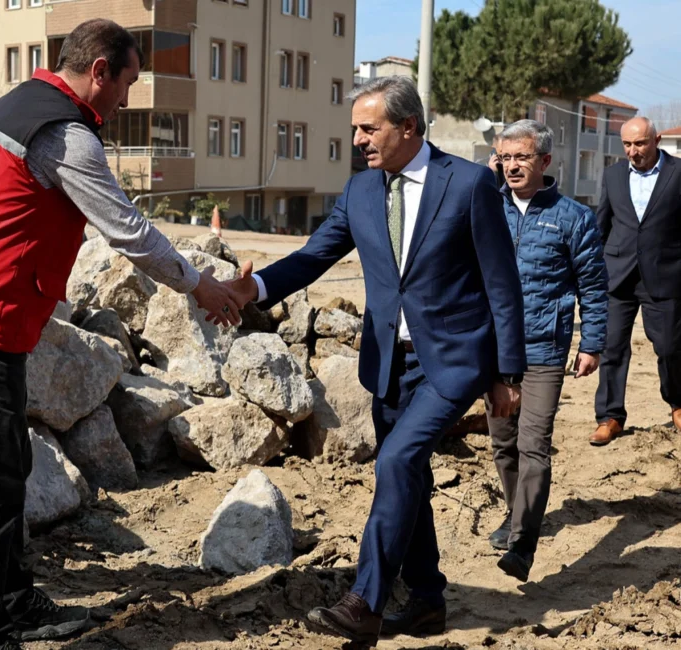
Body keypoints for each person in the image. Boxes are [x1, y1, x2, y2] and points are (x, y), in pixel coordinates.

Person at [0, 18, 241, 650]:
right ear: (98, 72)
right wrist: (199, 283)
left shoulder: (11, 108)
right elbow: (127, 230)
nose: (126, 98)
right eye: (127, 82)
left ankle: (12, 601)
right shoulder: (64, 134)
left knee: (7, 469)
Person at [225, 76, 526, 645]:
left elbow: (502, 283)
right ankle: (429, 601)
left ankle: (365, 600)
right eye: (355, 129)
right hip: (389, 361)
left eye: (369, 128)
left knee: (394, 463)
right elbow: (315, 255)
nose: (359, 139)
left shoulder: (467, 184)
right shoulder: (361, 190)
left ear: (407, 127)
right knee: (407, 474)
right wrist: (255, 288)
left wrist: (506, 375)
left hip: (455, 359)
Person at [483, 120, 608, 582]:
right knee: (503, 441)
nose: (512, 166)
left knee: (534, 442)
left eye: (522, 157)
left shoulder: (573, 218)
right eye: (505, 157)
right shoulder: (485, 208)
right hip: (493, 349)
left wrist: (592, 343)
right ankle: (516, 513)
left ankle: (522, 543)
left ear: (545, 162)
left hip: (544, 347)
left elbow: (594, 287)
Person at [593, 117, 681, 445]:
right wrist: (595, 268)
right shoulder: (613, 175)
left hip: (665, 275)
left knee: (670, 347)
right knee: (612, 347)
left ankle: (677, 402)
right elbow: (602, 224)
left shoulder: (678, 172)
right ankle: (610, 416)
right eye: (627, 145)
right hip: (618, 276)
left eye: (640, 144)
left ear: (656, 140)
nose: (633, 151)